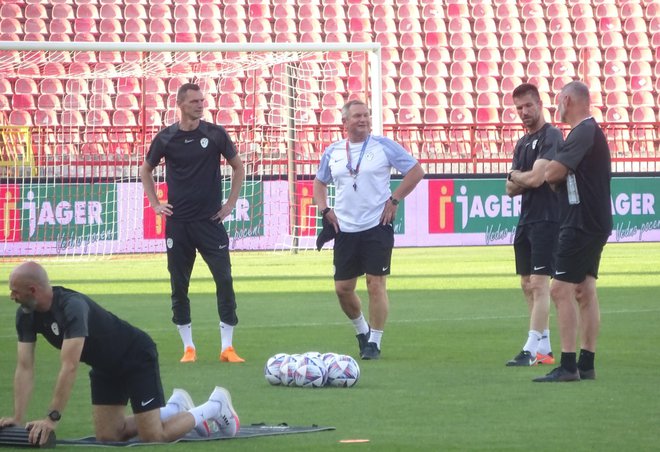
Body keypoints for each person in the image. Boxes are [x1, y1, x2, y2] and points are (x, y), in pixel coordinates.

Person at [0, 261, 239, 445]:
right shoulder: (26, 315)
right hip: (105, 368)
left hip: (135, 356)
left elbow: (69, 366)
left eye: (14, 291)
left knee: (154, 437)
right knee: (109, 437)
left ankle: (215, 406)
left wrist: (51, 418)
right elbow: (24, 367)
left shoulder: (71, 308)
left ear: (32, 290)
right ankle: (175, 408)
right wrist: (17, 418)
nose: (11, 296)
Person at [140, 83, 246, 364]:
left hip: (210, 222)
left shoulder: (214, 134)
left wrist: (229, 205)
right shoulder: (166, 138)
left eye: (203, 100)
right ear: (181, 104)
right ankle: (188, 347)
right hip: (179, 225)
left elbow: (238, 166)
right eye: (195, 101)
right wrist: (155, 203)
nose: (201, 105)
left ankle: (227, 347)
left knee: (224, 279)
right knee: (179, 284)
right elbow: (145, 170)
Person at [313, 100, 425, 360]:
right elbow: (319, 182)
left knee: (376, 284)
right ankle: (362, 330)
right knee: (343, 288)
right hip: (345, 229)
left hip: (377, 226)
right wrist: (324, 209)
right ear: (345, 122)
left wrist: (395, 199)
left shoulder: (383, 146)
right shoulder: (333, 152)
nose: (363, 120)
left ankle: (374, 342)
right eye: (357, 116)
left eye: (366, 115)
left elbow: (416, 171)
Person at [535, 80, 612, 382]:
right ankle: (587, 363)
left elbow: (552, 172)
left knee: (560, 289)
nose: (556, 106)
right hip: (593, 220)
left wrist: (550, 171)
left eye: (558, 100)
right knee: (584, 289)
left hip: (580, 221)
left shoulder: (583, 131)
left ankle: (568, 365)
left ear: (567, 99)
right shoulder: (589, 131)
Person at [505, 83, 564, 367]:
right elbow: (510, 189)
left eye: (528, 106)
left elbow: (537, 179)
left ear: (540, 104)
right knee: (527, 284)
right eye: (519, 108)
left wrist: (518, 175)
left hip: (547, 218)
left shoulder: (551, 135)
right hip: (527, 218)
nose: (524, 112)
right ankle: (545, 349)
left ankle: (530, 349)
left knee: (540, 284)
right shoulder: (521, 142)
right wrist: (522, 178)